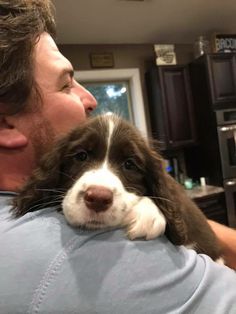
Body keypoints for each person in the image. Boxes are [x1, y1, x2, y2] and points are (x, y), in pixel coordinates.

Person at [0, 1, 236, 313]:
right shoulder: (85, 252)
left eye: (128, 164)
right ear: (5, 123)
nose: (91, 98)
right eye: (65, 83)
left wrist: (162, 208)